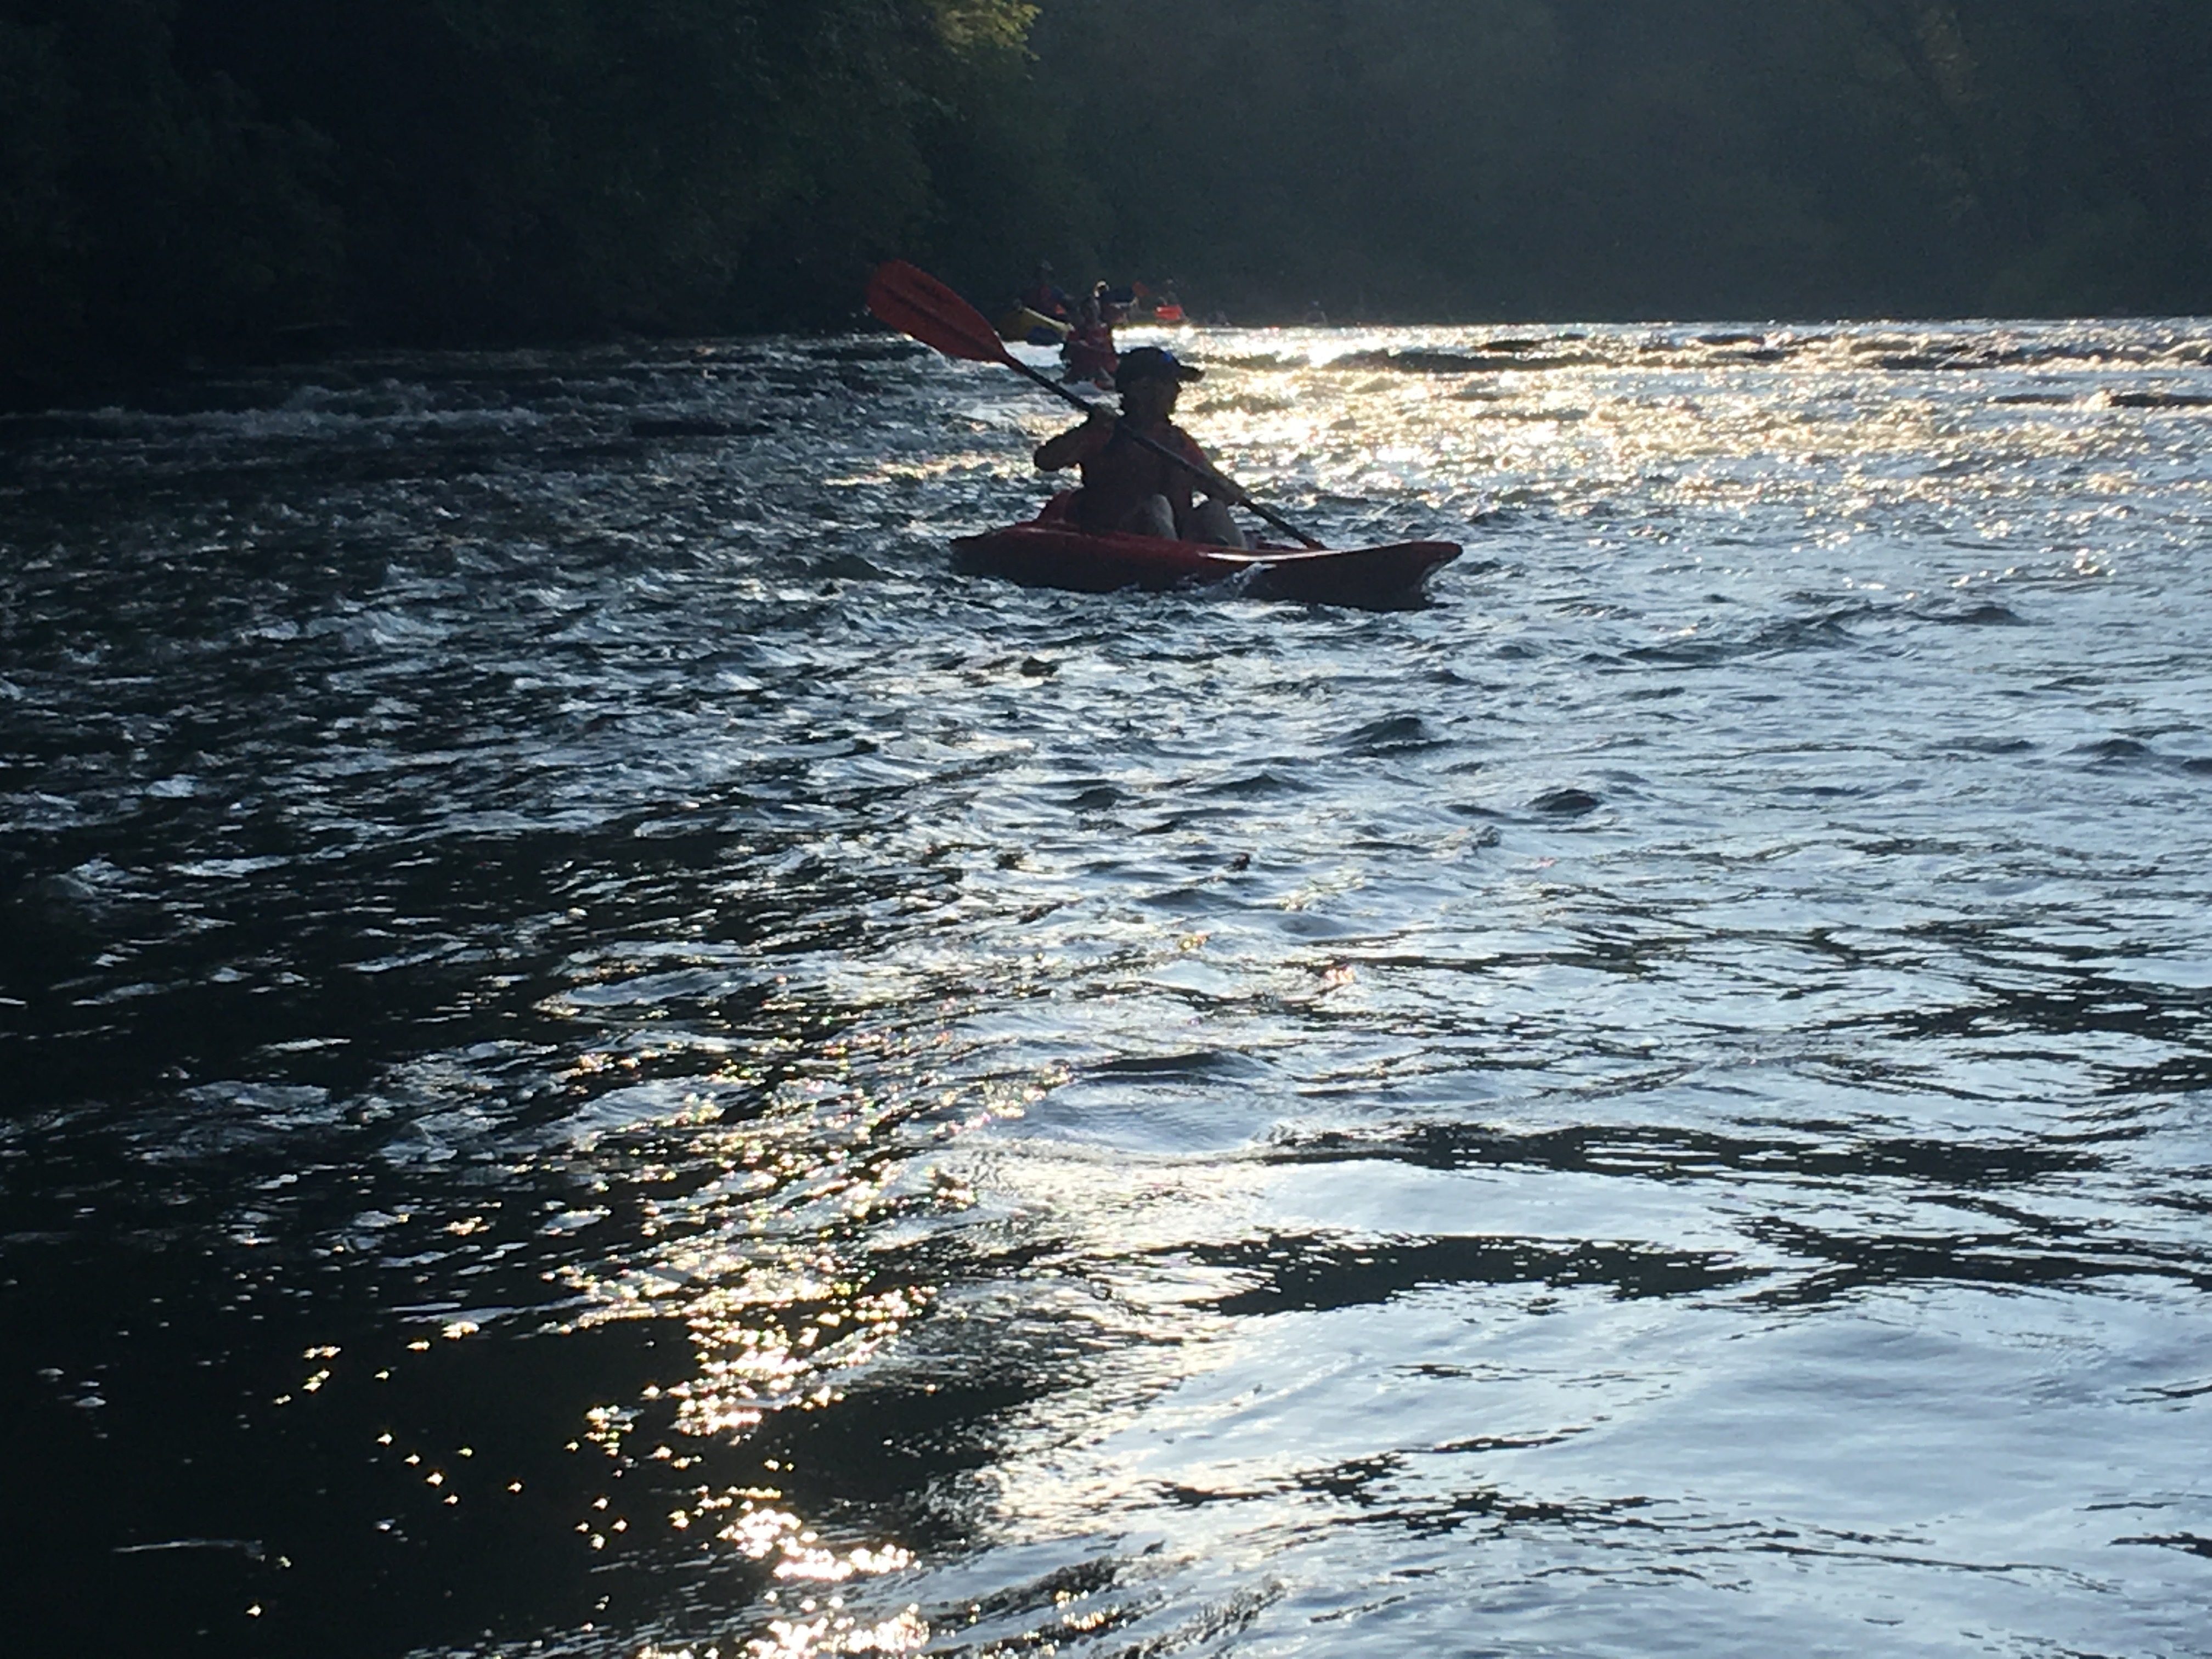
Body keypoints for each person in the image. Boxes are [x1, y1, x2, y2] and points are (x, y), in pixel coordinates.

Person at [1033, 346, 1249, 546]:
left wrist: (1227, 489)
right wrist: (1087, 429)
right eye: (1170, 382)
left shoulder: (1176, 440)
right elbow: (1045, 461)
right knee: (1156, 506)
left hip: (1176, 537)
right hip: (1119, 538)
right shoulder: (1105, 431)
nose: (1178, 391)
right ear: (1140, 388)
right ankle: (1172, 564)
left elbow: (1211, 479)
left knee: (1215, 509)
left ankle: (1241, 563)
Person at [1061, 293, 1117, 388]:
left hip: (1100, 371)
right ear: (1083, 312)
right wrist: (1074, 346)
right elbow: (1064, 356)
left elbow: (1112, 354)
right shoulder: (1076, 333)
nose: (1091, 313)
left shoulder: (1105, 330)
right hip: (1080, 371)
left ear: (1098, 310)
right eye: (1088, 310)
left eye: (1094, 309)